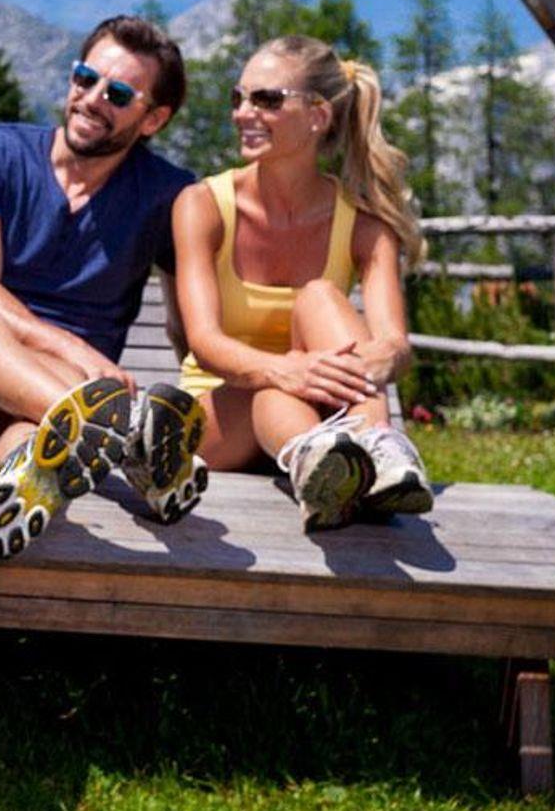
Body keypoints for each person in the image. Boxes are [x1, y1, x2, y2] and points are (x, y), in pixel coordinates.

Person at [0, 15, 208, 561]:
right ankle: (131, 447)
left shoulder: (168, 195)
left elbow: (188, 325)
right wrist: (76, 350)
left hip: (44, 408)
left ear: (153, 119)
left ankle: (22, 485)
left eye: (118, 94)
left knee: (33, 447)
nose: (92, 99)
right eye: (85, 78)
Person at [172, 34, 433, 530]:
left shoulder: (365, 225)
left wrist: (377, 358)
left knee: (320, 297)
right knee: (268, 392)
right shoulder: (201, 206)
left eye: (266, 99)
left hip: (325, 411)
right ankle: (343, 459)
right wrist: (288, 370)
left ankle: (355, 459)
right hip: (220, 418)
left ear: (318, 115)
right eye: (238, 98)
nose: (243, 113)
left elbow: (395, 344)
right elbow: (204, 343)